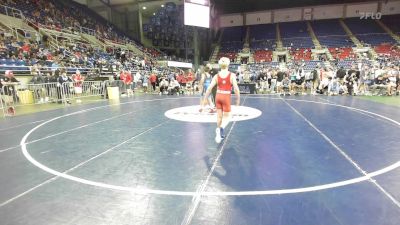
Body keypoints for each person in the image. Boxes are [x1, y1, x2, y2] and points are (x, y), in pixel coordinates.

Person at [203, 57, 240, 143]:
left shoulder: (216, 75)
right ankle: (220, 129)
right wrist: (238, 99)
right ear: (228, 65)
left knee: (219, 116)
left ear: (220, 65)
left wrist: (205, 99)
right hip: (226, 96)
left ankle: (219, 135)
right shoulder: (232, 75)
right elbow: (236, 89)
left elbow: (209, 89)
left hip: (218, 96)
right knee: (228, 116)